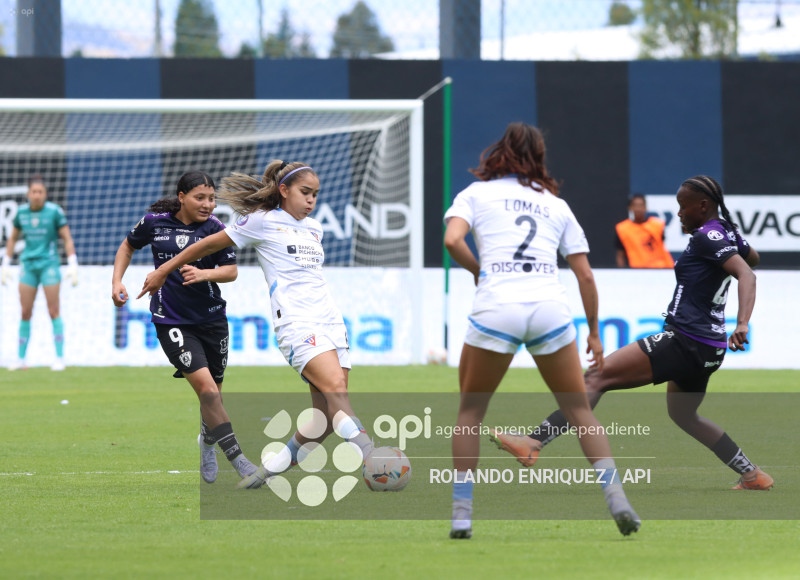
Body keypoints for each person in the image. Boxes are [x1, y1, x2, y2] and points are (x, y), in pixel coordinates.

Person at [492, 175, 774, 492]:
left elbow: (746, 273)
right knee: (684, 416)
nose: (678, 213)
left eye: (683, 206)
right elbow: (753, 259)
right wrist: (736, 244)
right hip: (709, 347)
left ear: (703, 206)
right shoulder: (723, 231)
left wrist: (742, 322)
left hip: (686, 341)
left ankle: (533, 442)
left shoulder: (708, 236)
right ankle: (752, 475)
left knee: (597, 377)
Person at [443, 122, 640, 540]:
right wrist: (594, 334)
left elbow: (452, 241)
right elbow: (585, 276)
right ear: (539, 157)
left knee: (470, 413)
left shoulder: (475, 194)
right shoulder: (555, 203)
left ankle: (462, 515)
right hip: (550, 309)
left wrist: (479, 271)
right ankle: (618, 500)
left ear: (498, 153)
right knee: (580, 411)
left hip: (497, 307)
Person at [137, 160, 375, 490]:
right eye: (305, 192)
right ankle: (373, 457)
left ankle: (266, 473)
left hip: (332, 322)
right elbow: (206, 245)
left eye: (316, 195)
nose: (311, 201)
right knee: (336, 390)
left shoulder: (315, 228)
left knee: (325, 418)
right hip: (296, 323)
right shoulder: (261, 222)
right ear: (284, 190)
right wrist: (165, 271)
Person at [112, 171, 259, 484]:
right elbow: (127, 246)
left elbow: (231, 271)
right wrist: (116, 282)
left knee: (214, 396)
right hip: (172, 320)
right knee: (206, 391)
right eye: (200, 198)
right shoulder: (154, 222)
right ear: (181, 197)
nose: (208, 204)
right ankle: (241, 461)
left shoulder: (215, 228)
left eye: (211, 198)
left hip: (212, 320)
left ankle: (207, 443)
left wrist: (205, 275)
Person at [1, 174, 78, 371]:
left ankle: (59, 358)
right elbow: (12, 239)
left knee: (53, 310)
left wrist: (72, 263)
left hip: (49, 264)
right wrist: (6, 264)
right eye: (34, 192)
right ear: (28, 194)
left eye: (40, 192)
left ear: (45, 194)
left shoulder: (54, 212)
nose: (37, 195)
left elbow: (67, 238)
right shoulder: (21, 213)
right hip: (28, 265)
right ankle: (20, 359)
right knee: (25, 311)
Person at [615, 193, 674, 268]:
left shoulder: (657, 225)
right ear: (630, 208)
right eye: (635, 205)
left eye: (641, 205)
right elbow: (620, 254)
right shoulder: (622, 228)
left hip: (661, 268)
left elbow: (662, 247)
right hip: (638, 271)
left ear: (646, 207)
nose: (638, 209)